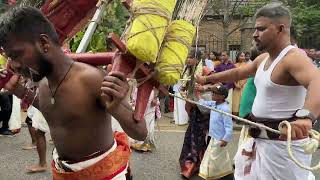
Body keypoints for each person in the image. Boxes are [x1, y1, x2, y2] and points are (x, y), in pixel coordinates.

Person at [0, 6, 147, 179]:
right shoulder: (44, 82)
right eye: (10, 57)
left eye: (17, 55)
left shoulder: (91, 79)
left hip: (104, 173)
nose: (14, 65)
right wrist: (19, 91)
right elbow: (54, 111)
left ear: (43, 43)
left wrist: (118, 109)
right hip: (64, 172)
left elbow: (140, 133)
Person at [196, 3, 320, 180]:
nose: (255, 34)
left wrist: (307, 117)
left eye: (261, 29)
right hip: (259, 142)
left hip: (283, 149)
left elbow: (317, 81)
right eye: (255, 29)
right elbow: (238, 72)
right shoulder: (263, 58)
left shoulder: (294, 58)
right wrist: (207, 79)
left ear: (281, 29)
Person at [179, 50, 210, 179]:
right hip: (193, 108)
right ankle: (190, 162)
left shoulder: (206, 70)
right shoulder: (189, 71)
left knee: (197, 136)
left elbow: (217, 85)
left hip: (202, 109)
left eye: (190, 58)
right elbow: (187, 87)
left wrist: (203, 88)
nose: (187, 60)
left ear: (197, 59)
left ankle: (192, 165)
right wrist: (184, 89)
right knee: (191, 135)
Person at [198, 84, 234, 180]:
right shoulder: (214, 104)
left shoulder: (225, 109)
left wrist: (225, 139)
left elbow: (229, 126)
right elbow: (203, 103)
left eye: (215, 93)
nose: (212, 95)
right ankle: (226, 175)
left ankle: (208, 175)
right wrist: (196, 95)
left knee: (211, 158)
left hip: (219, 139)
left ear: (222, 96)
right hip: (213, 136)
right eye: (212, 93)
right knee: (221, 158)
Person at [232, 52, 247, 116]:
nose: (243, 57)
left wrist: (242, 84)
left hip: (244, 84)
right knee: (236, 101)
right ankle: (236, 115)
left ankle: (243, 116)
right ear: (238, 57)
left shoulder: (247, 65)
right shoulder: (235, 65)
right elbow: (233, 75)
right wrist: (235, 84)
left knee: (243, 100)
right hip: (237, 84)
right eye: (241, 56)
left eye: (244, 56)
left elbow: (248, 75)